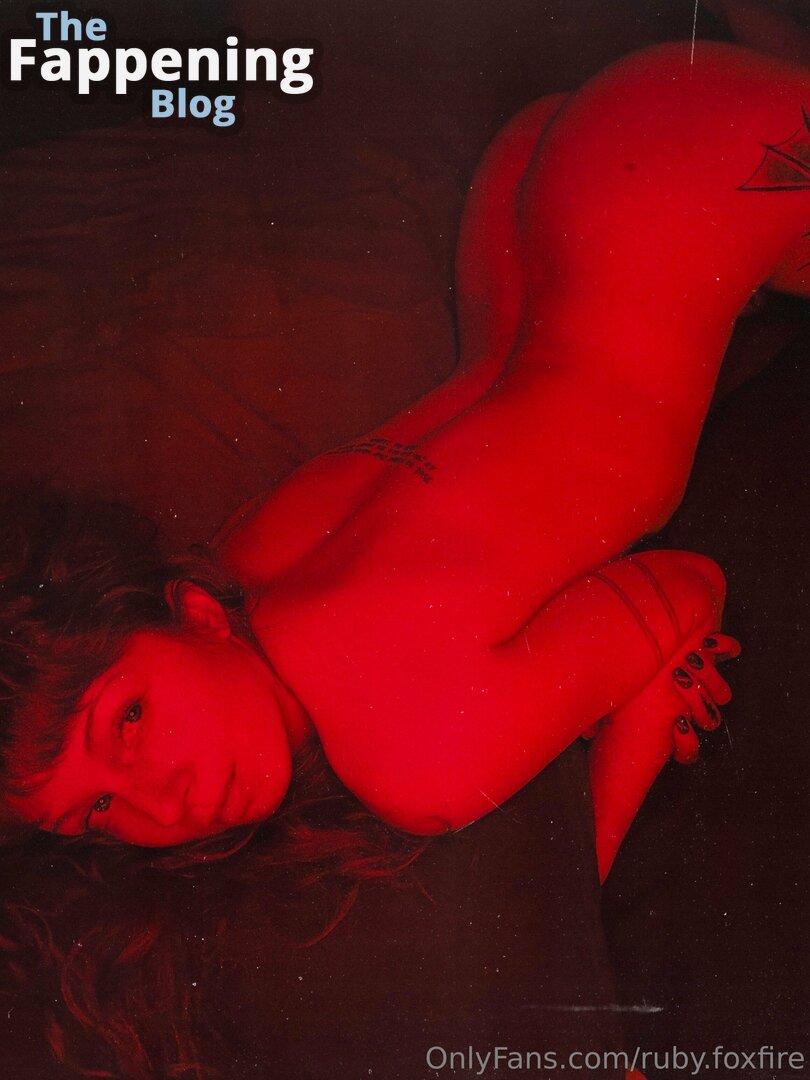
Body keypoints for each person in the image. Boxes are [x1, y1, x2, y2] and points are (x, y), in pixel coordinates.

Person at [3, 40, 809, 891]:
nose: (162, 807)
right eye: (96, 812)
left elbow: (687, 587)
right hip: (547, 191)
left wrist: (627, 744)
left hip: (666, 195)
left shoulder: (415, 764)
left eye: (128, 721)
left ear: (193, 614)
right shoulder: (241, 554)